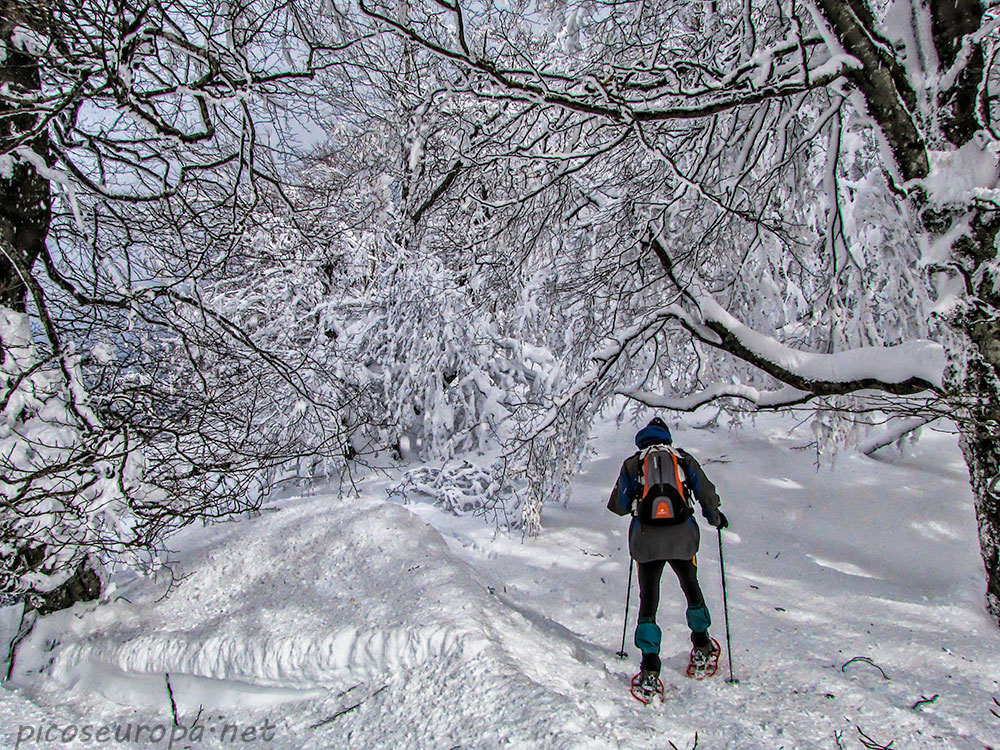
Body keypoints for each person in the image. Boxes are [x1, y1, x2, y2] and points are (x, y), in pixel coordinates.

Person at [607, 417, 728, 688]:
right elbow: (705, 493)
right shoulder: (682, 459)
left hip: (646, 541)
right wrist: (715, 516)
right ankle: (702, 646)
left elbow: (619, 506)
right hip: (682, 538)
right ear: (666, 436)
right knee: (691, 587)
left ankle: (649, 668)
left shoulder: (633, 464)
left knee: (648, 599)